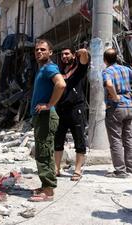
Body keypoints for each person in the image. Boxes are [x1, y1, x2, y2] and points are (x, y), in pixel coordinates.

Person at [29, 39, 66, 202]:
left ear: (50, 52)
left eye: (43, 49)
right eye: (37, 50)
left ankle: (48, 191)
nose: (39, 52)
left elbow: (61, 84)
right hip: (40, 117)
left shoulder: (50, 67)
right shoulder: (42, 69)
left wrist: (49, 105)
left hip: (46, 116)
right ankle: (45, 186)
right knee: (42, 152)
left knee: (44, 153)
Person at [54, 47, 89, 181]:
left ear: (73, 55)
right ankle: (56, 169)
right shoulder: (59, 72)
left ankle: (77, 170)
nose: (64, 56)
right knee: (58, 140)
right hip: (61, 109)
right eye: (62, 54)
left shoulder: (78, 69)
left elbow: (84, 59)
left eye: (67, 54)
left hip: (76, 109)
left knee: (79, 140)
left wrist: (83, 52)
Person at [102, 48, 132, 178]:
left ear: (105, 60)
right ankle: (130, 167)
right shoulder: (127, 69)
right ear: (117, 57)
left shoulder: (107, 71)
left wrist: (114, 97)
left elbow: (108, 84)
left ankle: (120, 171)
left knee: (115, 139)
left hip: (116, 107)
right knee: (129, 138)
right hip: (129, 106)